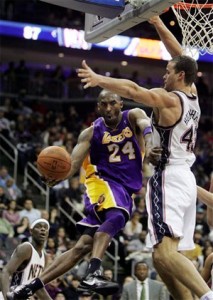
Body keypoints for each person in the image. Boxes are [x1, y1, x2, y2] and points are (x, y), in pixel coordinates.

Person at [75, 15, 213, 300]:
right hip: (185, 178)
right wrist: (158, 23)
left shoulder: (171, 100)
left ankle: (206, 295)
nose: (164, 75)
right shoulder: (193, 95)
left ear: (179, 76)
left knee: (163, 253)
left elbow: (134, 91)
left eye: (167, 71)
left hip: (169, 177)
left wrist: (100, 79)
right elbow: (184, 56)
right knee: (162, 258)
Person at [7, 89, 158, 299]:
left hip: (123, 188)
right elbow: (72, 164)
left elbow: (145, 122)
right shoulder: (90, 132)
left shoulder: (131, 117)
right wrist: (57, 176)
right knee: (116, 216)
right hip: (101, 181)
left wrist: (150, 144)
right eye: (103, 104)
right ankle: (94, 272)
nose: (108, 108)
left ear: (121, 104)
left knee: (82, 247)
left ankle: (27, 288)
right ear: (98, 107)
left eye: (112, 103)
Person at [0, 218, 51, 300]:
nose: (43, 229)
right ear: (31, 231)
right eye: (39, 227)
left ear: (48, 233)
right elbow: (5, 272)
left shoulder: (45, 256)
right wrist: (7, 297)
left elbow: (38, 287)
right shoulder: (26, 248)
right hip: (10, 295)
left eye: (45, 228)